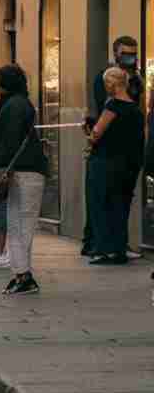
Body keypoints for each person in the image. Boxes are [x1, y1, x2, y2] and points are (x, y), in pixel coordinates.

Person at [0, 64, 48, 295]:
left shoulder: (14, 105)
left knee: (21, 224)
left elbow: (10, 140)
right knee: (17, 224)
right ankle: (20, 273)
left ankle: (23, 275)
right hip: (21, 171)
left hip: (23, 171)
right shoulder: (18, 103)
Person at [84, 36, 142, 256]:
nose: (131, 57)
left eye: (134, 53)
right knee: (105, 200)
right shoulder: (105, 80)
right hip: (111, 148)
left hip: (124, 152)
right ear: (116, 53)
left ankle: (113, 246)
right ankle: (100, 244)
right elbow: (103, 112)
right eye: (126, 52)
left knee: (116, 201)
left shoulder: (135, 81)